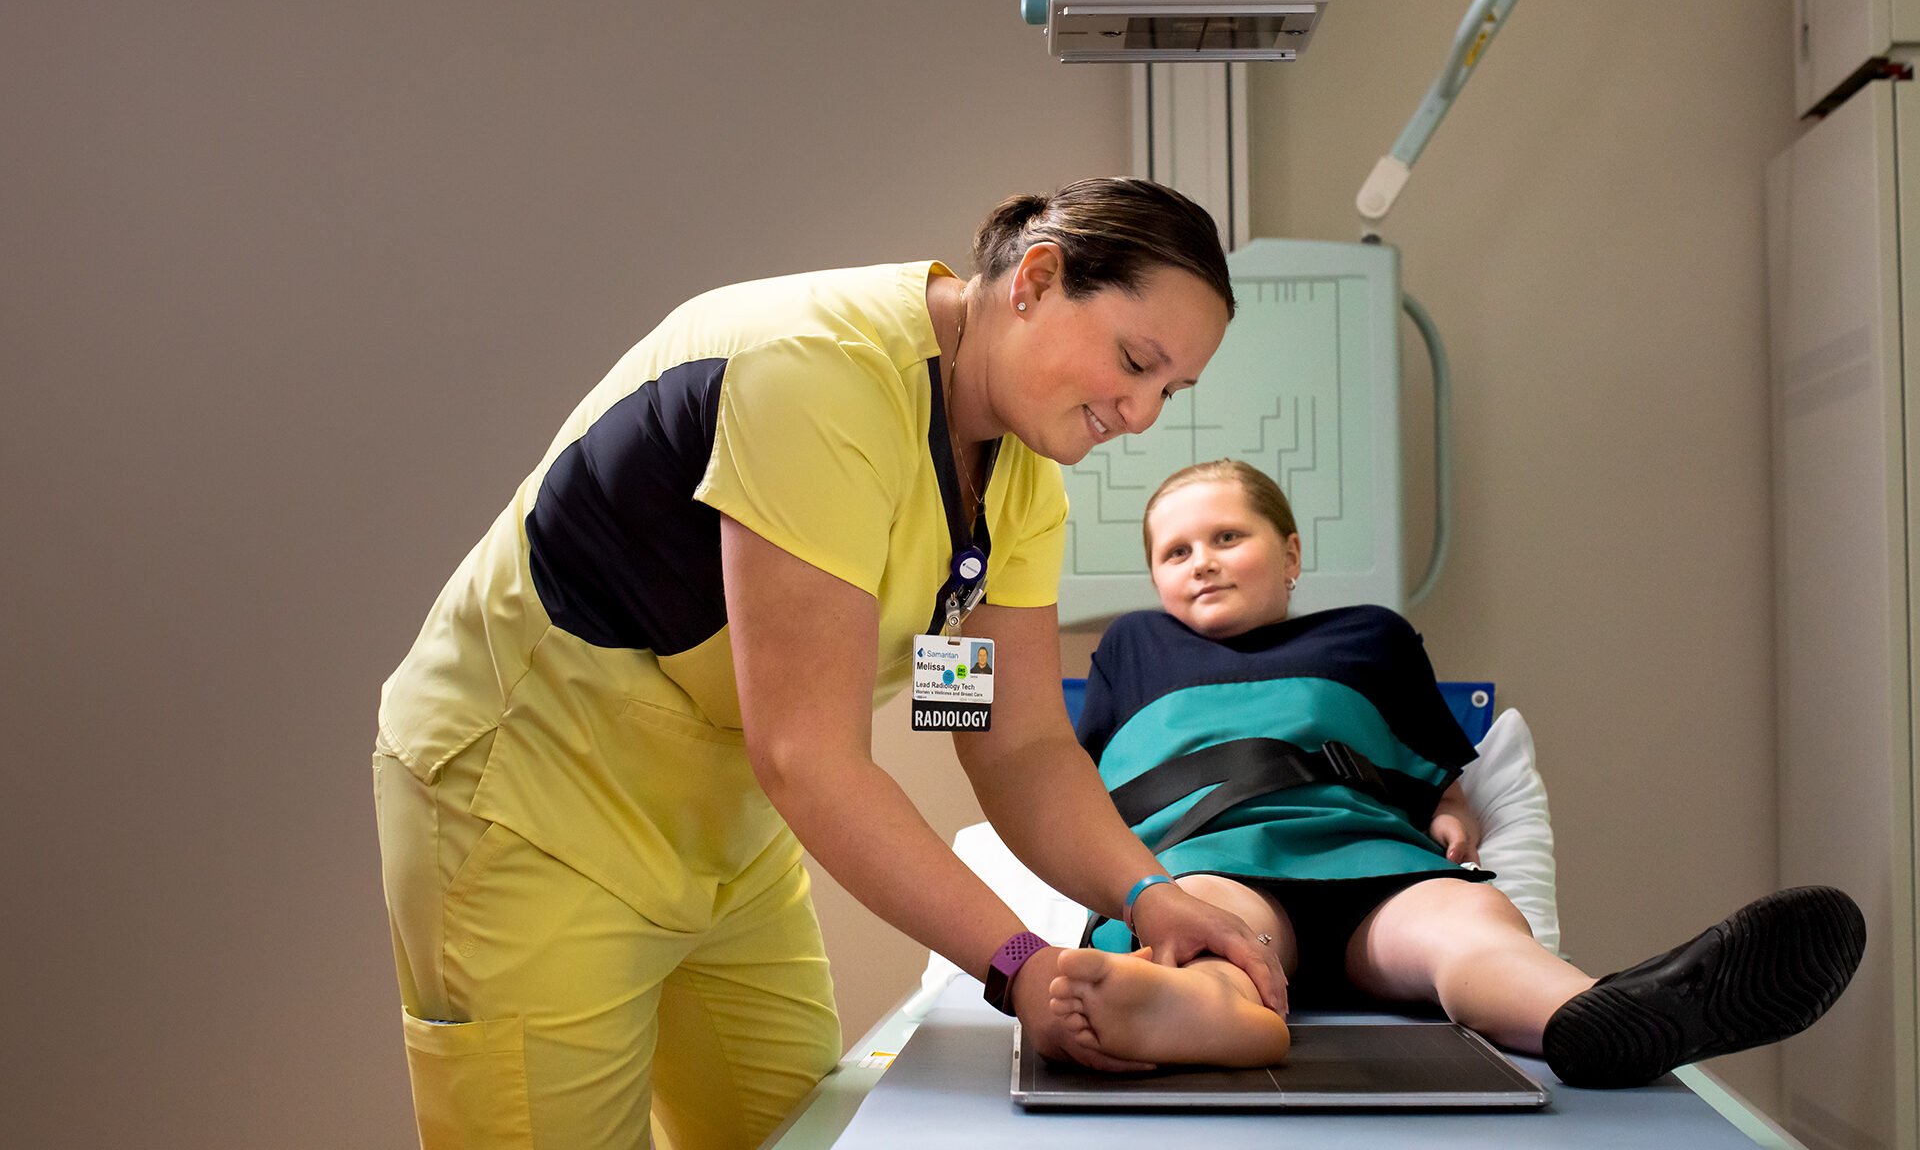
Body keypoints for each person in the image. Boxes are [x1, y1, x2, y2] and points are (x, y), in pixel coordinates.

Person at [371, 179, 1291, 1149]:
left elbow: (1014, 742)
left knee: (802, 1136)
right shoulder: (819, 375)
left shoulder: (1018, 480)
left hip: (724, 831)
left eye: (1169, 391)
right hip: (533, 801)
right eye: (1135, 362)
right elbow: (809, 755)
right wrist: (1018, 962)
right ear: (1037, 277)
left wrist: (1153, 896)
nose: (1141, 413)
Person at [1046, 459, 1866, 1087]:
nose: (1202, 563)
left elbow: (1435, 760)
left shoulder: (1372, 633)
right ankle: (1198, 1010)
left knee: (1467, 929)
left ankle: (1596, 1014)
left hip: (1371, 863)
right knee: (1217, 937)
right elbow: (1083, 776)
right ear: (1154, 577)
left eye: (1229, 538)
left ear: (1290, 551)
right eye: (1175, 551)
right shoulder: (1133, 643)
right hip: (1214, 858)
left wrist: (1450, 806)